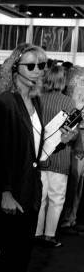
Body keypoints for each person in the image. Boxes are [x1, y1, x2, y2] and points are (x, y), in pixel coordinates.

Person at [0, 43, 75, 272]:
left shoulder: (34, 103)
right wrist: (5, 192)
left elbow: (38, 153)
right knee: (3, 258)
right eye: (31, 66)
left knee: (21, 258)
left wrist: (62, 140)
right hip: (10, 193)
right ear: (14, 70)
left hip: (31, 190)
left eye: (42, 65)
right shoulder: (5, 103)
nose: (38, 71)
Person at [35, 64, 83, 247]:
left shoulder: (37, 99)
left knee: (40, 198)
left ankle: (37, 233)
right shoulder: (69, 103)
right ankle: (49, 236)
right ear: (63, 82)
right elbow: (73, 133)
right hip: (60, 156)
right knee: (56, 199)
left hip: (40, 156)